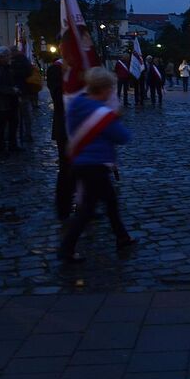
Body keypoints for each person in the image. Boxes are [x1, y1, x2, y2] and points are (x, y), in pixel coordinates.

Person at [58, 67, 135, 263]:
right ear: (104, 88)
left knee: (111, 201)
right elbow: (123, 137)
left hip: (79, 162)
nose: (111, 92)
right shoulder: (101, 114)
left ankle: (122, 237)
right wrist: (115, 117)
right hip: (96, 165)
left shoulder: (76, 104)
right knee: (87, 210)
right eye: (110, 88)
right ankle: (66, 249)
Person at [46, 59, 74, 220]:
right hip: (65, 124)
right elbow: (58, 98)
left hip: (79, 125)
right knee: (66, 166)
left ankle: (83, 203)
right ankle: (63, 207)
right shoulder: (55, 69)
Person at [0, 47, 22, 157]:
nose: (9, 58)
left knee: (13, 125)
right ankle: (1, 149)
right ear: (1, 57)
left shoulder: (9, 68)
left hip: (12, 102)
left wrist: (17, 88)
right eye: (7, 56)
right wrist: (11, 90)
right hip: (1, 103)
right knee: (1, 128)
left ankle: (13, 144)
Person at [11, 46, 34, 145]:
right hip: (23, 90)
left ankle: (23, 134)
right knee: (25, 115)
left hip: (20, 91)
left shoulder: (17, 62)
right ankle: (26, 134)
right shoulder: (24, 60)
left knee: (22, 114)